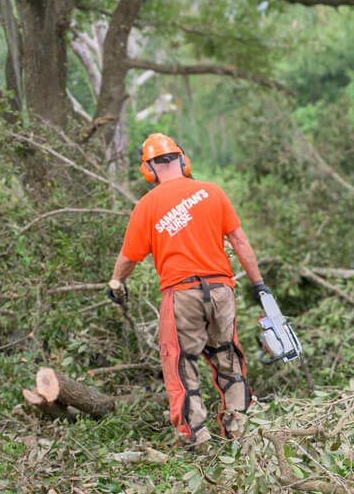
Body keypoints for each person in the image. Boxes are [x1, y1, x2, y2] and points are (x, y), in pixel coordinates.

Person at [106, 133, 274, 446]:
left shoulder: (147, 205)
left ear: (148, 170)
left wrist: (116, 281)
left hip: (181, 294)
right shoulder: (212, 192)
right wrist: (258, 284)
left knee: (181, 363)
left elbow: (129, 257)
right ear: (183, 160)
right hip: (222, 290)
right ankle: (237, 430)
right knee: (228, 357)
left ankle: (195, 438)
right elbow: (239, 241)